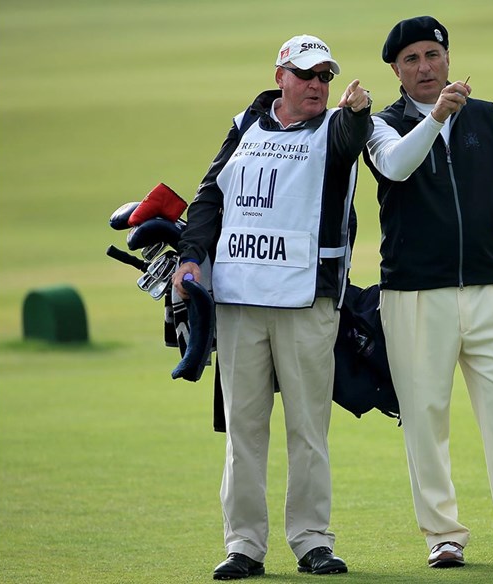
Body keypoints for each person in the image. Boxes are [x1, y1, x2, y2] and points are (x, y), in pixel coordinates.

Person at [362, 16, 493, 568]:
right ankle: (442, 535)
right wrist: (436, 118)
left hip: (488, 284)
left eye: (432, 54)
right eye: (411, 60)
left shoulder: (487, 116)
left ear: (448, 58)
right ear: (397, 72)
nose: (425, 67)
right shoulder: (380, 126)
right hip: (414, 293)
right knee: (425, 416)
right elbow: (398, 168)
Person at [172, 33, 372, 579]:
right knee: (244, 429)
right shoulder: (245, 125)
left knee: (309, 428)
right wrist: (191, 256)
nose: (317, 85)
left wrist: (359, 111)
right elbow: (211, 194)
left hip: (308, 300)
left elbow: (353, 139)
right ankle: (244, 545)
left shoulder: (338, 127)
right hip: (240, 300)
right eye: (307, 74)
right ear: (280, 75)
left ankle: (312, 540)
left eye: (325, 77)